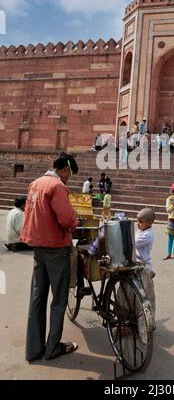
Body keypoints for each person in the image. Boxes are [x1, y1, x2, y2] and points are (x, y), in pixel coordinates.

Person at [21, 152, 79, 362]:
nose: (68, 178)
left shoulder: (35, 183)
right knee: (59, 301)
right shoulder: (57, 186)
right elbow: (66, 219)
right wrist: (75, 222)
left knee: (37, 298)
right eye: (69, 174)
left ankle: (33, 349)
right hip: (55, 248)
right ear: (65, 170)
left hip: (38, 248)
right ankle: (53, 347)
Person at [135, 208, 155, 276]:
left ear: (149, 222)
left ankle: (150, 273)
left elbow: (133, 242)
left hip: (143, 264)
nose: (138, 223)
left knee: (141, 285)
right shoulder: (139, 231)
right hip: (136, 261)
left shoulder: (148, 235)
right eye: (138, 221)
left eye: (141, 222)